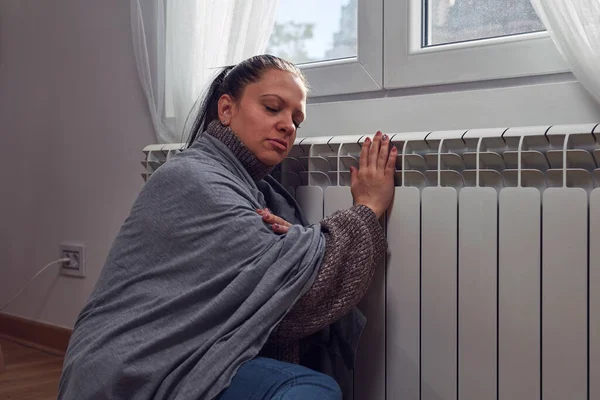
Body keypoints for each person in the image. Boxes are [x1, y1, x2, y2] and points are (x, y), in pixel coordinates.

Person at [58, 54, 397, 400]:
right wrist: (366, 209)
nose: (287, 126)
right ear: (226, 109)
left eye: (297, 119)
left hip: (198, 350)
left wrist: (289, 244)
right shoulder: (194, 179)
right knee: (311, 391)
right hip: (134, 365)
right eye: (271, 108)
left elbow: (276, 279)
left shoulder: (259, 193)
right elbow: (297, 298)